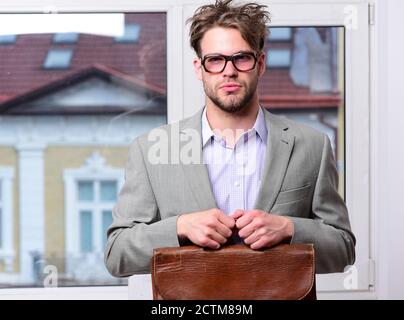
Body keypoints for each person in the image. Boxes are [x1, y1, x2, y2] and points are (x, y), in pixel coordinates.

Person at [105, 0, 355, 276]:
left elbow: (343, 248)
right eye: (215, 60)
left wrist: (289, 229)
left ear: (259, 64)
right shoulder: (150, 149)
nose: (229, 71)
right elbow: (117, 254)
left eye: (242, 58)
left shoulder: (312, 146)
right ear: (199, 68)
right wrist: (179, 227)